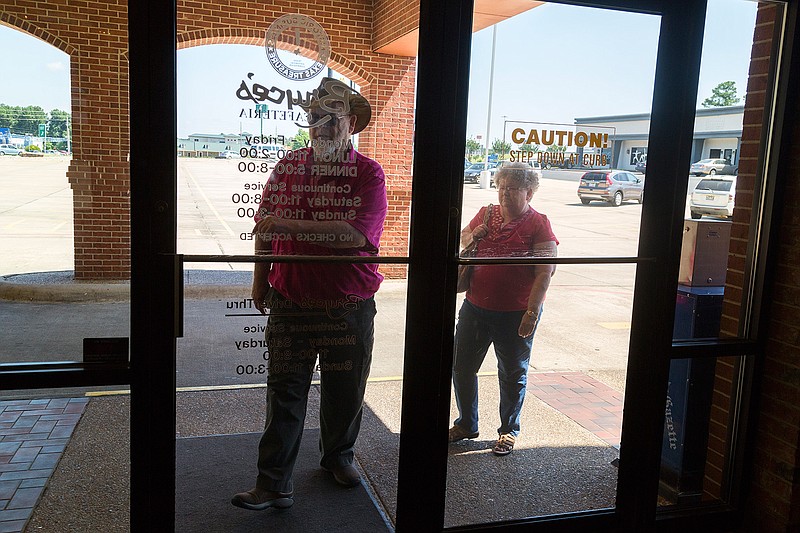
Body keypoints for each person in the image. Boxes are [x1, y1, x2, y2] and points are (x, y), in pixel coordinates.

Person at [232, 77, 387, 510]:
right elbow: (263, 224)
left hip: (348, 306)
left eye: (329, 117)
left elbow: (354, 237)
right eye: (312, 116)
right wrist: (260, 279)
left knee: (345, 390)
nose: (318, 124)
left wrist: (289, 226)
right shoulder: (287, 166)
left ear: (350, 123)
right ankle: (274, 483)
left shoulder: (368, 174)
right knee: (284, 391)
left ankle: (338, 456)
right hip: (290, 301)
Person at [449, 162, 558, 456]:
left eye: (512, 189)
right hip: (475, 307)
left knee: (512, 373)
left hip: (516, 312)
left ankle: (508, 430)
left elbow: (544, 272)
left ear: (529, 193)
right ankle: (467, 423)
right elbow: (460, 239)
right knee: (461, 367)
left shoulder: (539, 223)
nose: (504, 194)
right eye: (501, 188)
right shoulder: (486, 213)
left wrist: (532, 313)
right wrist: (475, 235)